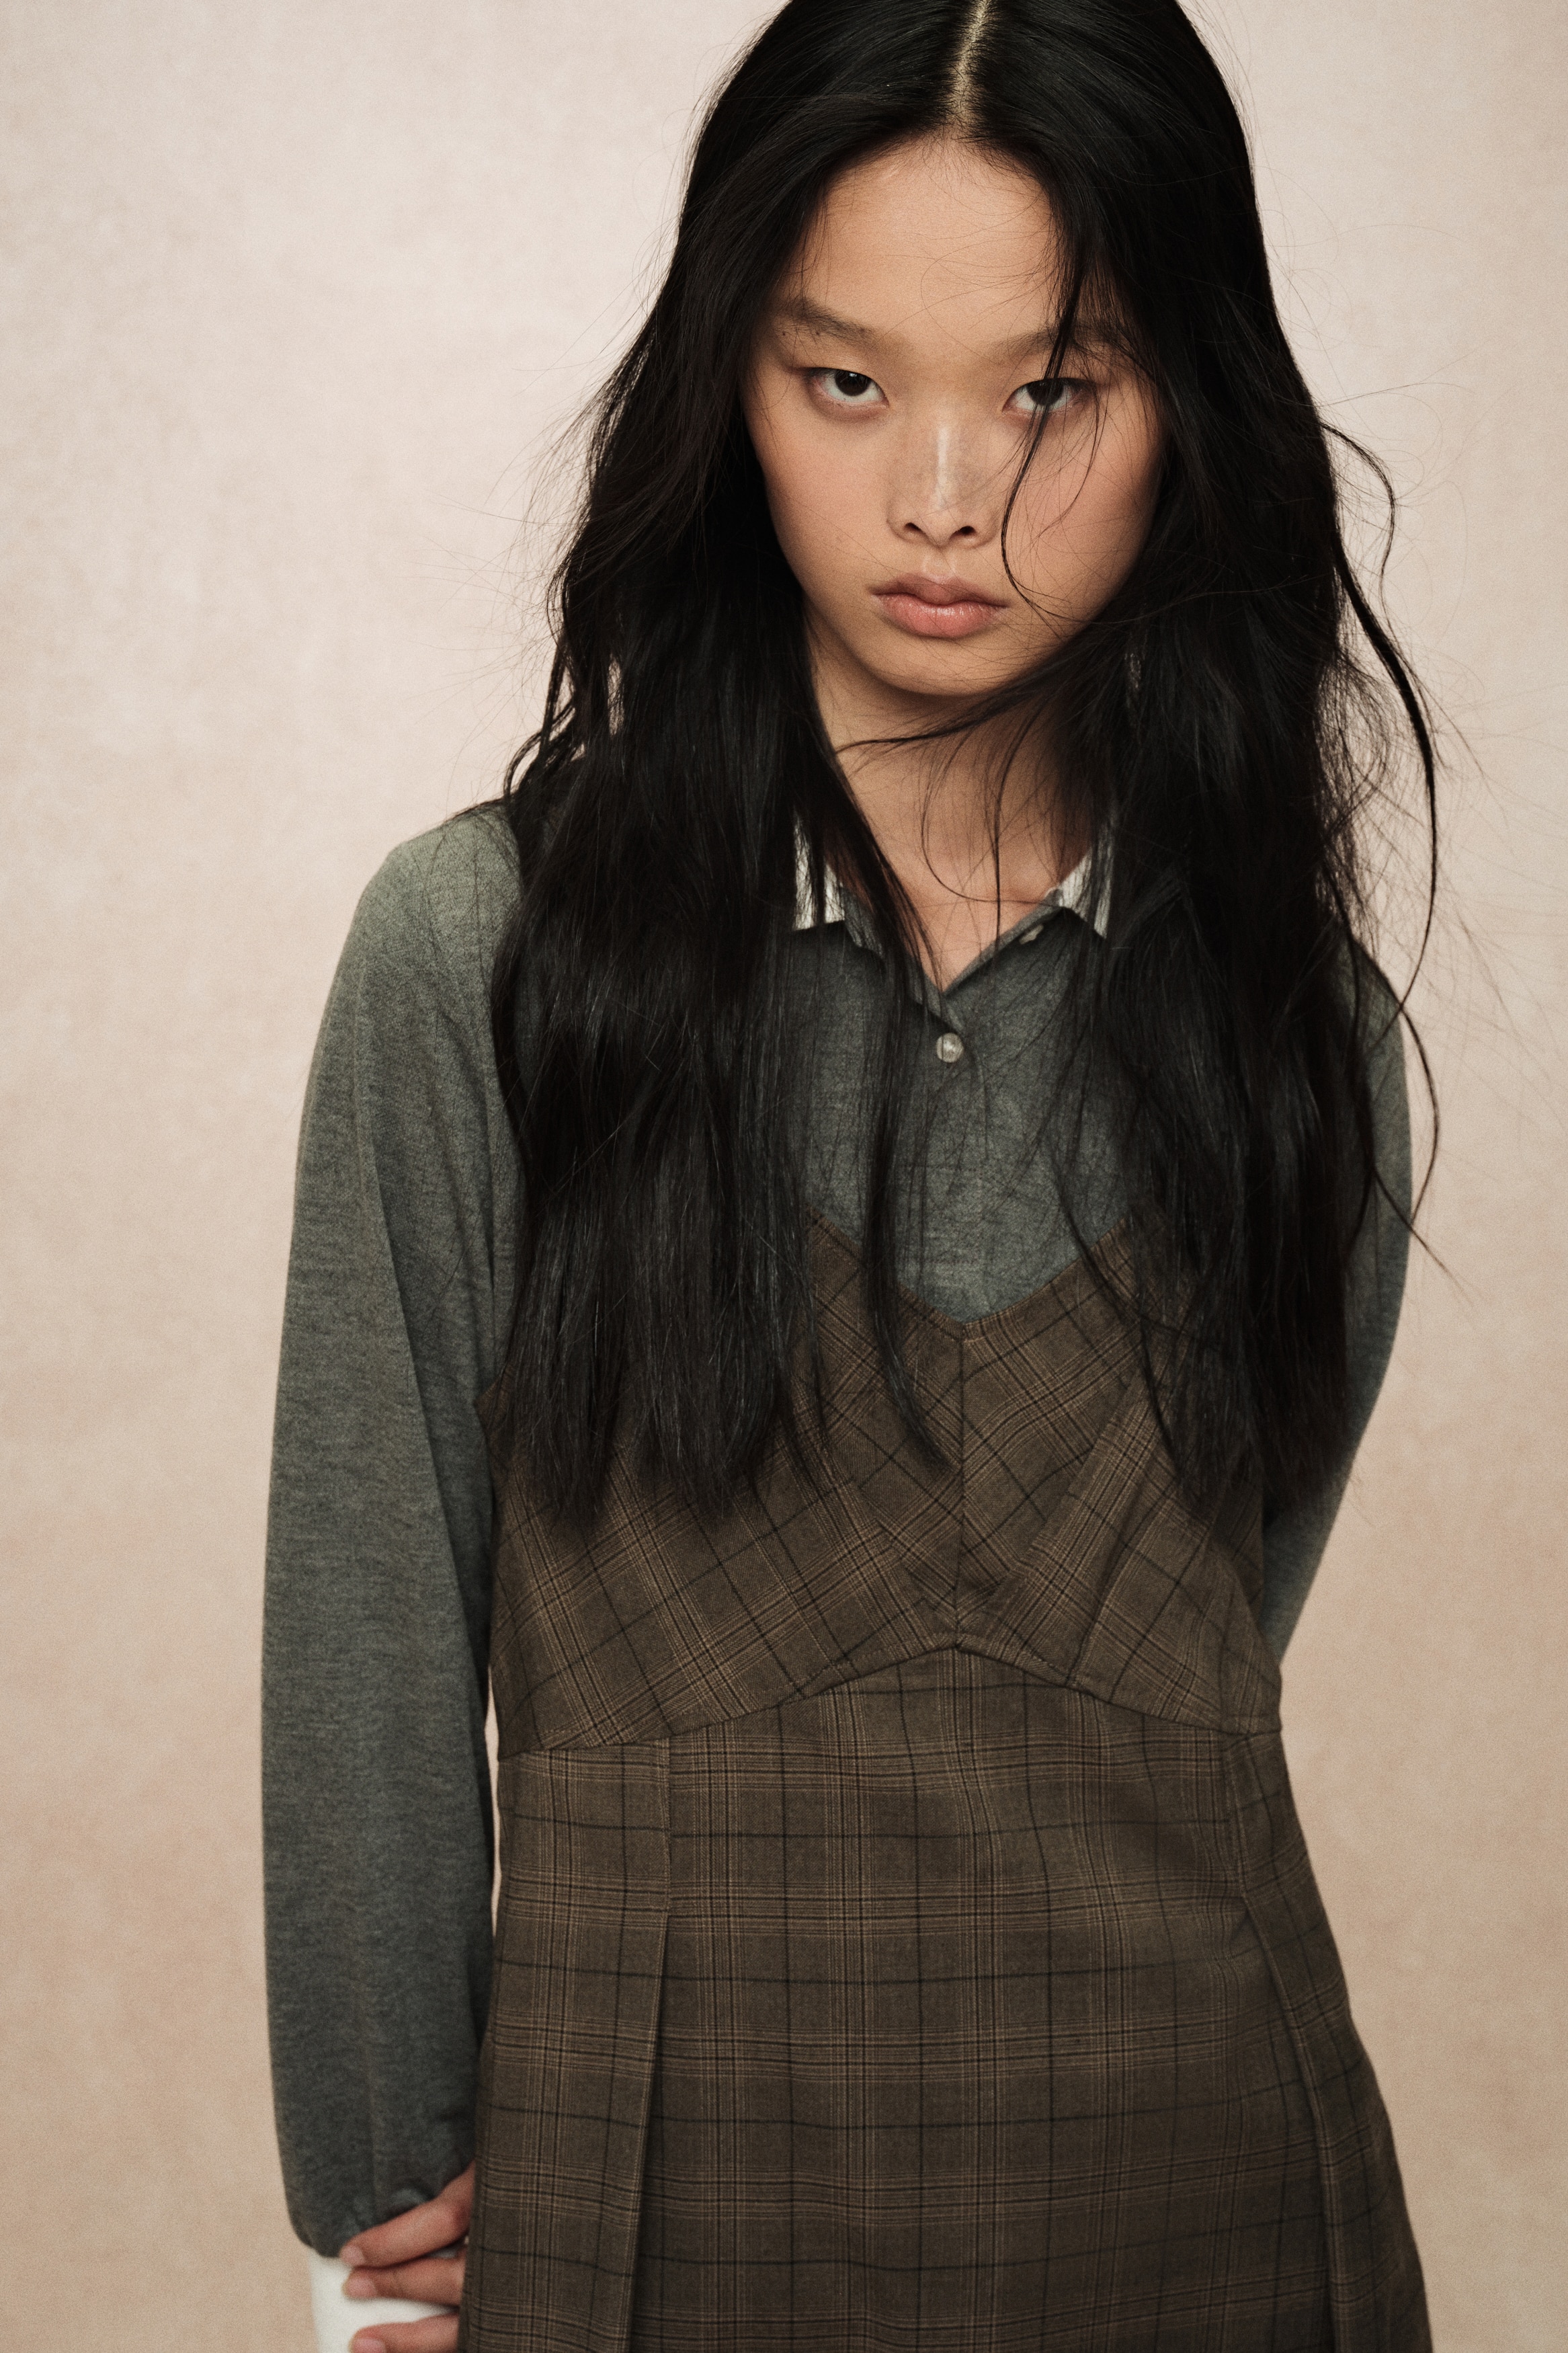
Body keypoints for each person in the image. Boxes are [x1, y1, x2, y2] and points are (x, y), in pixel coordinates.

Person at [263, 1, 1436, 2346]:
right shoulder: (483, 959)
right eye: (845, 382)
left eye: (1051, 390)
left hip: (1217, 2205)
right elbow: (365, 1647)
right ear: (731, 387)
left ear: (1190, 407)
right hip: (644, 2206)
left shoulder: (1296, 1032)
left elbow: (1205, 1662)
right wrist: (381, 2211)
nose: (945, 497)